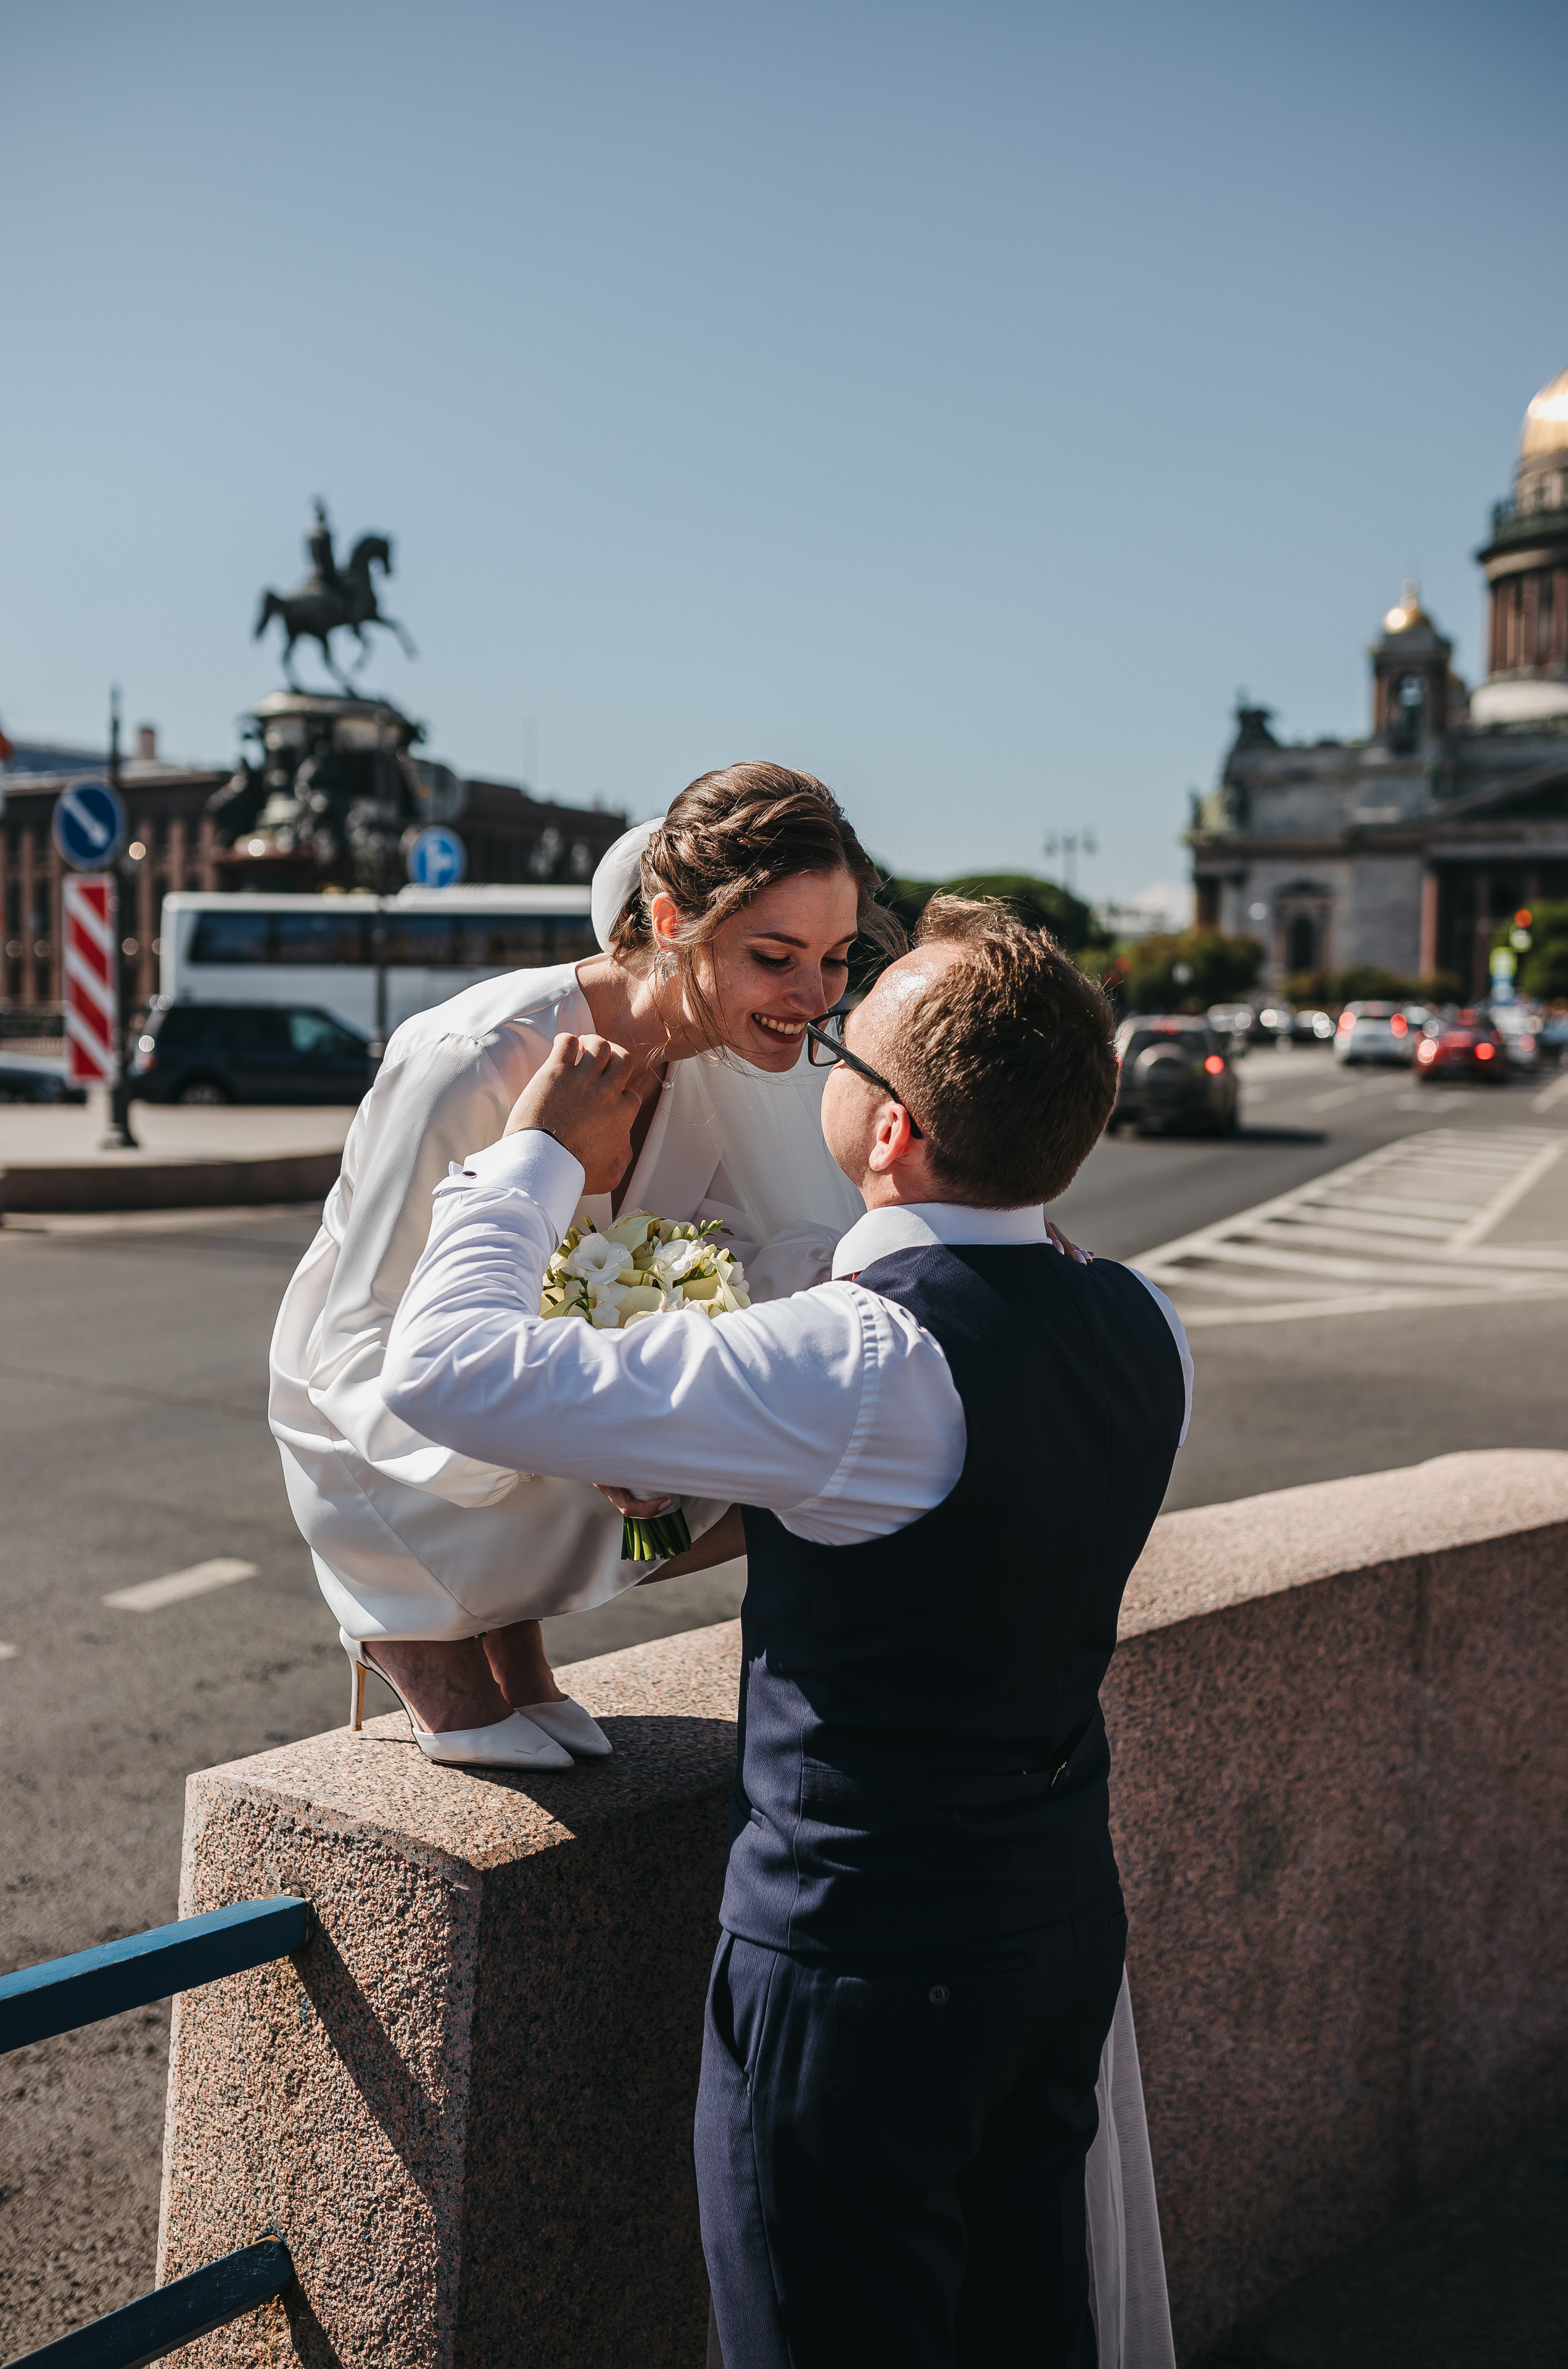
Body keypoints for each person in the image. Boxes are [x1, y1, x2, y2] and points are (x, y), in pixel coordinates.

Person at [380, 897, 1192, 2369]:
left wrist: (537, 1157)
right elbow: (938, 1503)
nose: (818, 1042)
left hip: (861, 1970)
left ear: (893, 1131)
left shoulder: (854, 1358)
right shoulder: (1141, 1323)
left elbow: (444, 1370)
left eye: (845, 1046)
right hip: (1058, 1927)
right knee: (1024, 2329)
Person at [269, 761, 909, 1771]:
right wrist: (582, 1419)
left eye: (835, 959)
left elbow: (749, 1265)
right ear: (671, 923)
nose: (814, 997)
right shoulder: (475, 1056)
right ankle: (407, 1620)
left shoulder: (720, 1059)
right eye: (774, 955)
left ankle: (505, 1626)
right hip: (378, 1437)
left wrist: (933, 1255)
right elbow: (356, 1349)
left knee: (846, 1435)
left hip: (550, 1418)